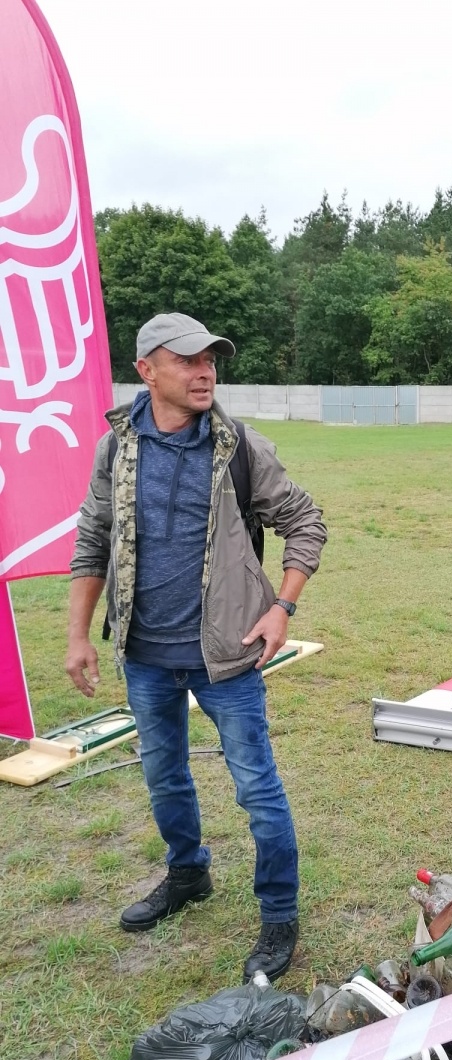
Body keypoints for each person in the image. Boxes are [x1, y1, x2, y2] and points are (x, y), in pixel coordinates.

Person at [66, 312, 327, 982]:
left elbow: (306, 521)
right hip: (145, 654)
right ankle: (188, 874)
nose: (204, 369)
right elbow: (93, 539)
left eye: (210, 358)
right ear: (146, 370)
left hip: (229, 657)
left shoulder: (239, 446)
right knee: (164, 775)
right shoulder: (116, 449)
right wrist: (78, 635)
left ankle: (279, 918)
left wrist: (283, 606)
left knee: (258, 790)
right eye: (185, 359)